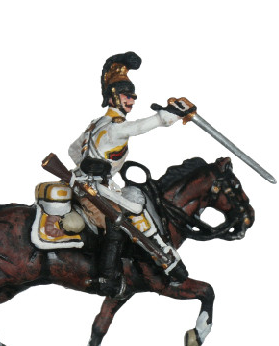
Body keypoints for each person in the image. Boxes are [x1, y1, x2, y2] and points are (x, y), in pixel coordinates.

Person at [68, 52, 190, 298]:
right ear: (113, 96)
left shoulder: (95, 124)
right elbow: (139, 127)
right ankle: (106, 279)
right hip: (90, 190)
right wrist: (168, 115)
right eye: (127, 95)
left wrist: (89, 166)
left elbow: (72, 150)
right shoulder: (115, 128)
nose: (132, 100)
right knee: (118, 223)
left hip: (92, 184)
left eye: (133, 95)